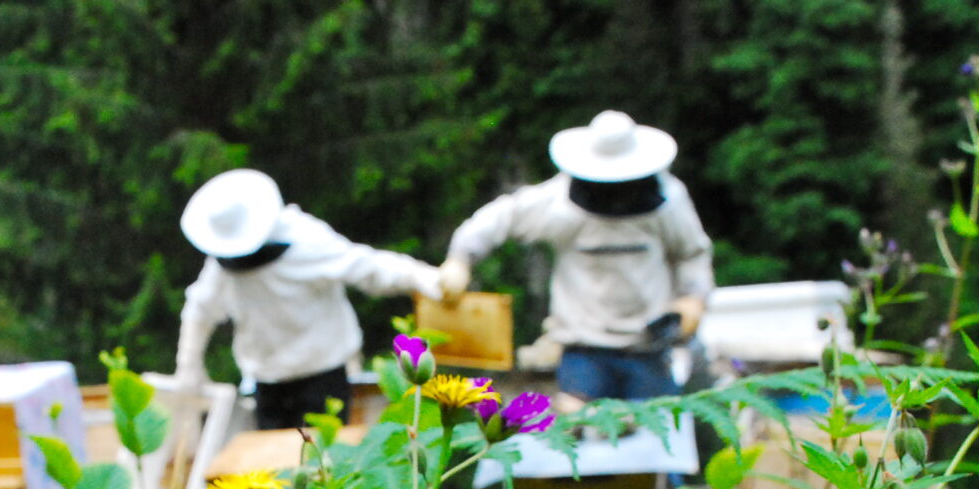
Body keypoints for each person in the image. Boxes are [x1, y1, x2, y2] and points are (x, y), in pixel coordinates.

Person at [439, 111, 713, 402]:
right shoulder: (557, 204)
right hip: (583, 350)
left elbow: (692, 253)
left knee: (656, 436)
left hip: (650, 347)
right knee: (582, 434)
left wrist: (692, 299)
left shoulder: (668, 203)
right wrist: (460, 258)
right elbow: (500, 218)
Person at [176, 169, 442, 430]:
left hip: (323, 373)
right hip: (266, 381)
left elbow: (366, 267)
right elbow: (200, 308)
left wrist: (420, 276)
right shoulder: (222, 261)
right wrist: (188, 363)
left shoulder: (306, 239)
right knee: (273, 468)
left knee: (325, 465)